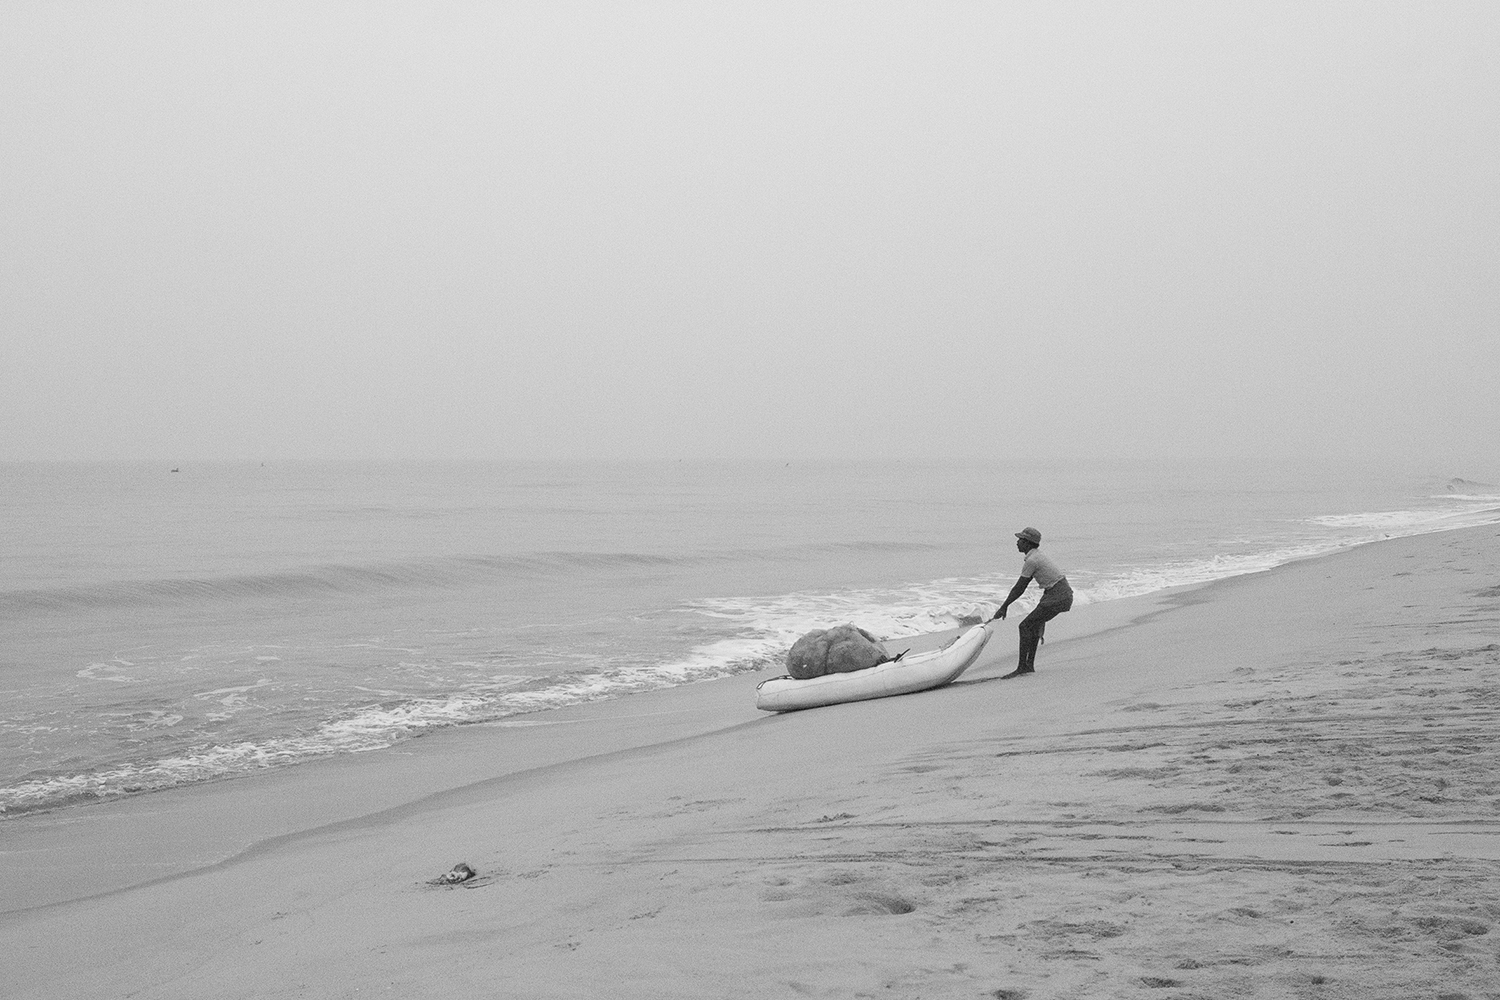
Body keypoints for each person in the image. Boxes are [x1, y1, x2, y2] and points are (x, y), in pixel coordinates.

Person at [990, 527, 1073, 679]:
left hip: (1058, 595)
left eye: (1020, 540)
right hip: (1061, 593)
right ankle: (1028, 666)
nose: (1017, 542)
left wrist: (1004, 607)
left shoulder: (1032, 560)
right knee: (1033, 625)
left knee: (1025, 626)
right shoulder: (1036, 556)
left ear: (1027, 543)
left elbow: (1019, 587)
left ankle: (1022, 667)